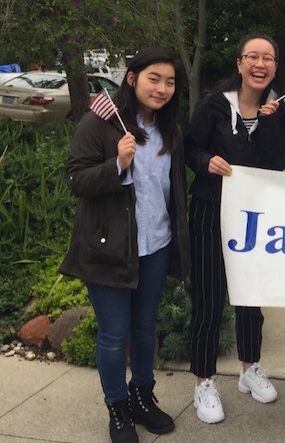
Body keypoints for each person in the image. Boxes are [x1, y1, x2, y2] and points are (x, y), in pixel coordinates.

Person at [60, 47, 189, 443]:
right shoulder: (99, 123)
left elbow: (175, 189)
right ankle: (117, 408)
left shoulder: (170, 130)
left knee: (144, 329)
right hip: (108, 249)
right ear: (132, 79)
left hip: (157, 244)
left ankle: (141, 396)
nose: (163, 88)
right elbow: (75, 180)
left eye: (170, 81)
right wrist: (116, 164)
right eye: (154, 78)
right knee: (114, 336)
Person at [184, 34, 285, 424]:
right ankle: (204, 382)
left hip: (254, 218)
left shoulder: (275, 111)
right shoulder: (213, 105)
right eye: (253, 57)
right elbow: (190, 148)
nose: (260, 64)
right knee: (210, 301)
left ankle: (250, 369)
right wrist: (205, 162)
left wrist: (266, 126)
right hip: (211, 212)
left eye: (268, 58)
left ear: (276, 67)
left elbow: (275, 164)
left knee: (250, 297)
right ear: (240, 63)